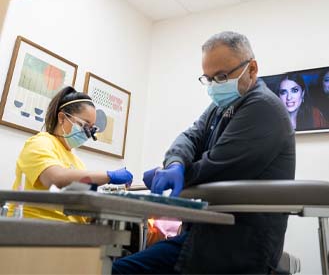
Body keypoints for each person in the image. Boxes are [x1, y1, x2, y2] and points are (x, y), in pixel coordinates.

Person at [112, 31, 296, 274]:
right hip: (205, 238)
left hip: (239, 247)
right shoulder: (221, 106)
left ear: (252, 69)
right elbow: (190, 136)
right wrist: (175, 163)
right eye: (208, 79)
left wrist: (168, 173)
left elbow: (217, 166)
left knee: (121, 270)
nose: (214, 86)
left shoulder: (263, 107)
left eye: (221, 76)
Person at [9, 86, 133, 222]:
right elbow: (55, 178)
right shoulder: (39, 142)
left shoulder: (76, 162)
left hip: (71, 234)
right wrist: (109, 176)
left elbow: (83, 210)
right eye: (85, 126)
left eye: (91, 129)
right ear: (62, 118)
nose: (87, 133)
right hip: (35, 230)